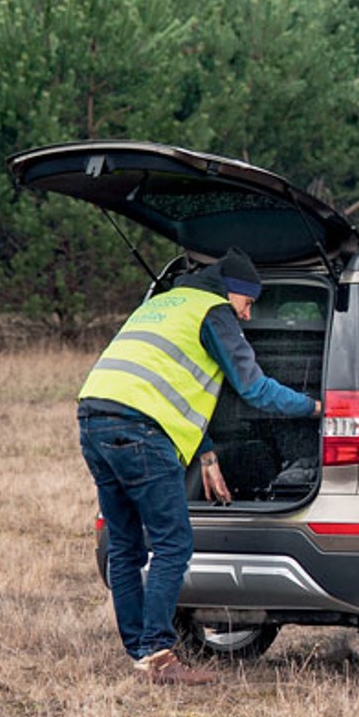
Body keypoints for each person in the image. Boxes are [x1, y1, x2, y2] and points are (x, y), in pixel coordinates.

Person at [76, 247, 321, 684]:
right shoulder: (215, 313)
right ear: (232, 295)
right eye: (248, 304)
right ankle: (157, 654)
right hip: (140, 431)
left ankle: (140, 651)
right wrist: (315, 406)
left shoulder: (165, 302)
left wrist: (206, 453)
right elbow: (256, 390)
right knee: (173, 544)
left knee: (126, 546)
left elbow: (164, 380)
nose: (247, 316)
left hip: (94, 417)